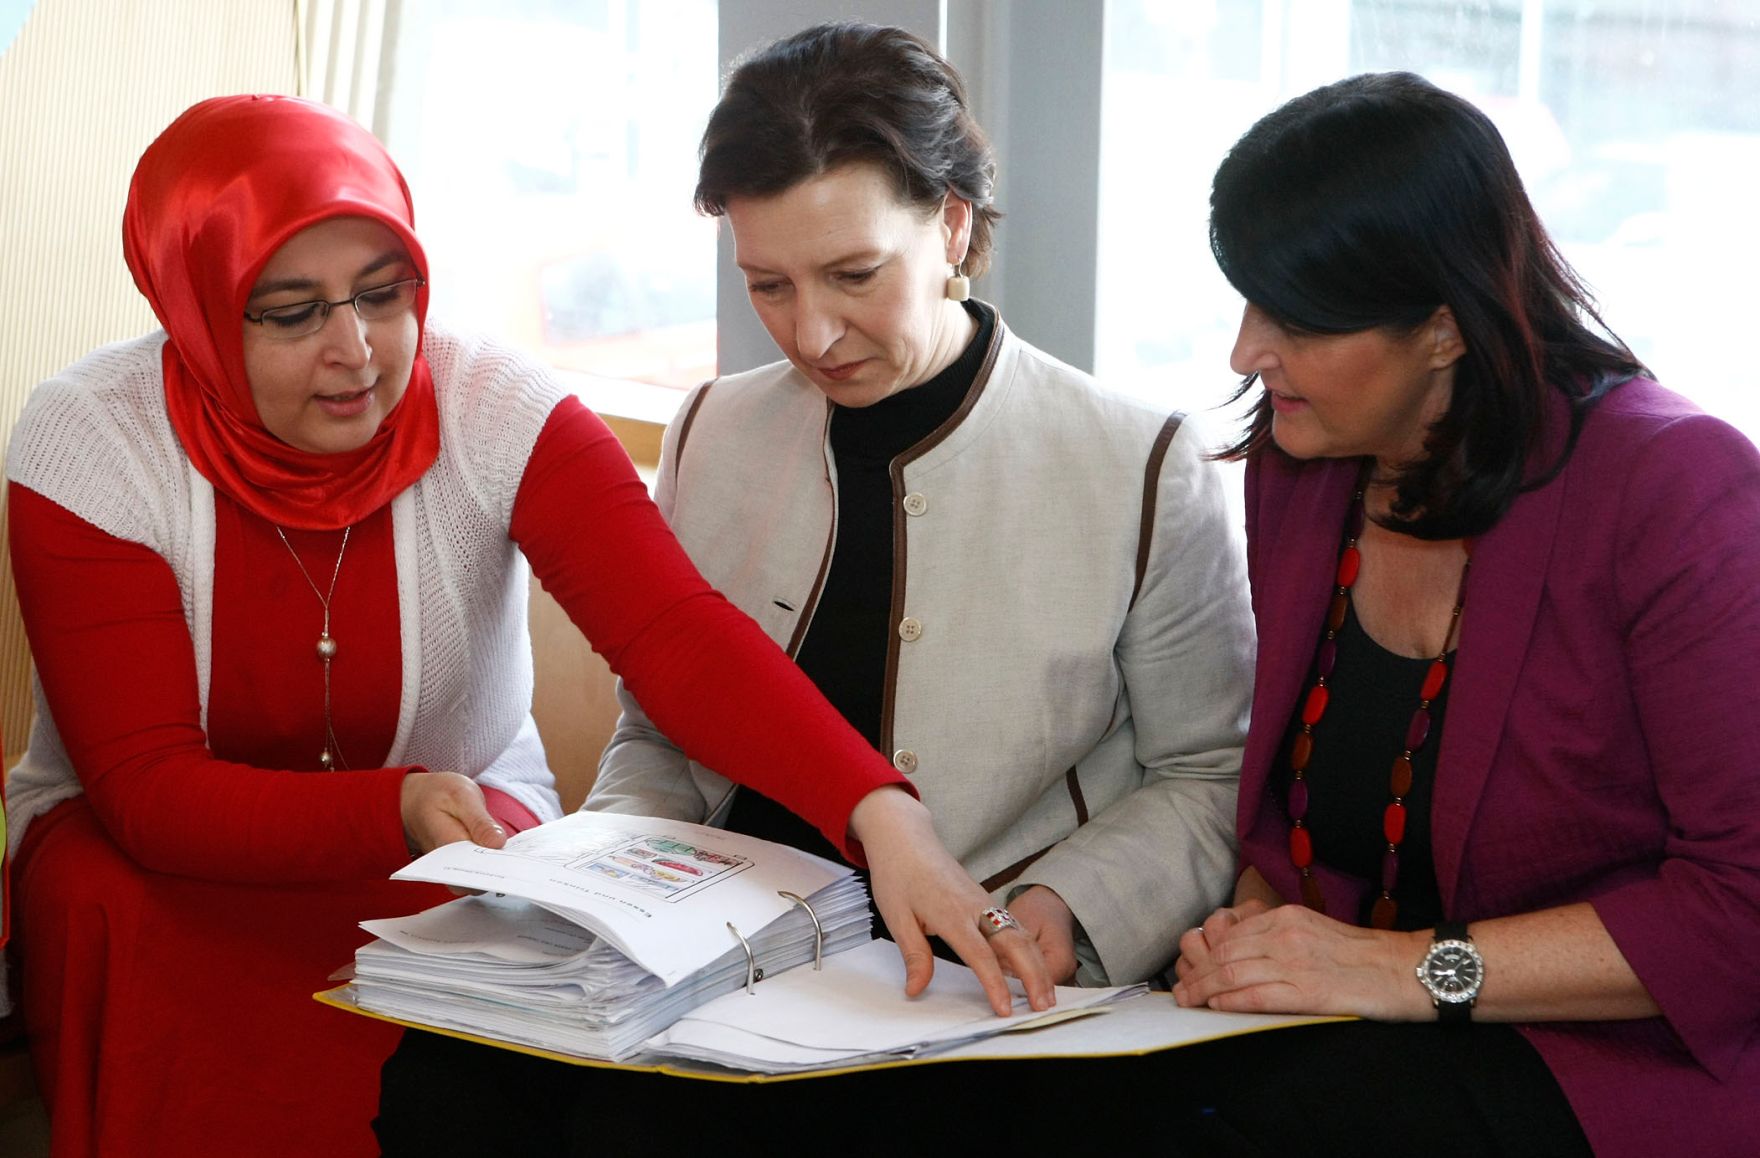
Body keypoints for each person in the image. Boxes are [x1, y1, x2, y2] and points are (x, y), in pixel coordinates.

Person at [2, 93, 1052, 1158]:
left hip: (461, 838)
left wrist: (878, 812)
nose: (356, 349)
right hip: (165, 857)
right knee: (120, 911)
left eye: (385, 292)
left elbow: (673, 634)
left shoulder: (493, 403)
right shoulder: (93, 439)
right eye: (289, 311)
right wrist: (393, 809)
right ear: (195, 306)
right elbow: (147, 793)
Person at [375, 22, 1252, 1152]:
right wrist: (605, 883)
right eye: (768, 287)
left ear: (950, 224)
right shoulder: (711, 427)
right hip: (714, 946)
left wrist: (1061, 911)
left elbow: (1203, 771)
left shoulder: (1136, 462)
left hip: (956, 969)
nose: (812, 333)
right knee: (443, 1083)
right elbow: (660, 725)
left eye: (852, 276)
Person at [1163, 72, 1760, 1157]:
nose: (1245, 353)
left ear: (1442, 329)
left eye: (1292, 319)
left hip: (1618, 1065)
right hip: (1365, 1032)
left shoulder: (1674, 487)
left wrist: (1402, 971)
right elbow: (1309, 814)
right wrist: (1255, 927)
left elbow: (1740, 907)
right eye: (1245, 303)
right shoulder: (1302, 459)